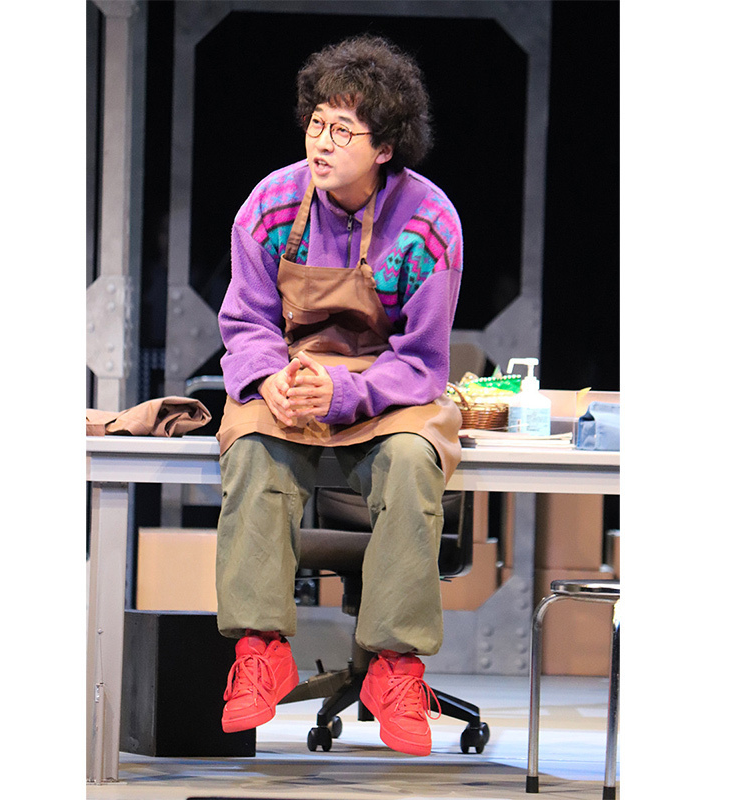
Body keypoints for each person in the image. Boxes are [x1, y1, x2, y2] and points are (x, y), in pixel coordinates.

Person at [214, 34, 464, 757]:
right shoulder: (271, 203)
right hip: (291, 377)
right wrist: (271, 379)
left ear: (384, 146)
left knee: (413, 460)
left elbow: (422, 359)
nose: (322, 142)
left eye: (343, 131)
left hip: (388, 387)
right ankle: (260, 649)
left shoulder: (429, 222)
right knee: (252, 449)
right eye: (317, 123)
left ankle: (394, 667)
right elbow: (246, 319)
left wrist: (347, 392)